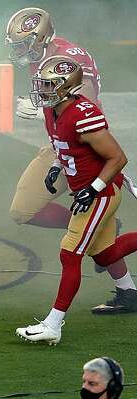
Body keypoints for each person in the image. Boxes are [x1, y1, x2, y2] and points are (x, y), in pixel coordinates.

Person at [4, 7, 136, 315]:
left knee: (67, 230)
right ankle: (127, 289)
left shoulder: (67, 56)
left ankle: (123, 290)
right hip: (60, 146)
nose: (19, 52)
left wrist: (43, 110)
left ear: (42, 37)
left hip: (81, 146)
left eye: (23, 45)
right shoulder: (42, 56)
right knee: (24, 211)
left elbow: (85, 98)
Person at [16, 57, 137, 345]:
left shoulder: (83, 113)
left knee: (70, 253)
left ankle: (53, 323)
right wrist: (57, 167)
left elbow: (118, 158)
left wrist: (92, 189)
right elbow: (66, 146)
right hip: (89, 189)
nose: (42, 90)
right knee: (105, 255)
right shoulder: (53, 111)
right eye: (41, 84)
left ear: (66, 87)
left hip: (101, 192)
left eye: (48, 85)